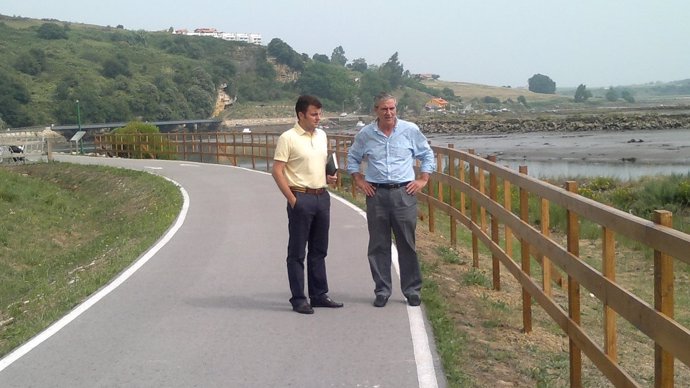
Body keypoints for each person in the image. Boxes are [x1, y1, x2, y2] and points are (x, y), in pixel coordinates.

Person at [346, 92, 436, 307]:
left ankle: (412, 290)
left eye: (392, 108)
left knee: (407, 243)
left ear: (396, 109)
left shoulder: (410, 130)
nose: (389, 113)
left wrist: (423, 179)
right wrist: (359, 180)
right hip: (376, 194)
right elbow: (352, 157)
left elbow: (427, 154)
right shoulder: (366, 134)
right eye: (384, 109)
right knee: (378, 245)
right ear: (375, 110)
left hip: (403, 193)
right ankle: (382, 290)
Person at [272, 95, 343, 314]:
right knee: (297, 252)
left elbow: (319, 162)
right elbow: (277, 170)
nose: (318, 118)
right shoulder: (288, 138)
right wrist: (293, 200)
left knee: (319, 249)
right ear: (300, 114)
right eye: (313, 114)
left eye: (319, 113)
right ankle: (299, 299)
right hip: (301, 197)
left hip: (322, 196)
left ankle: (319, 294)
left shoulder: (322, 135)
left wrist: (328, 177)